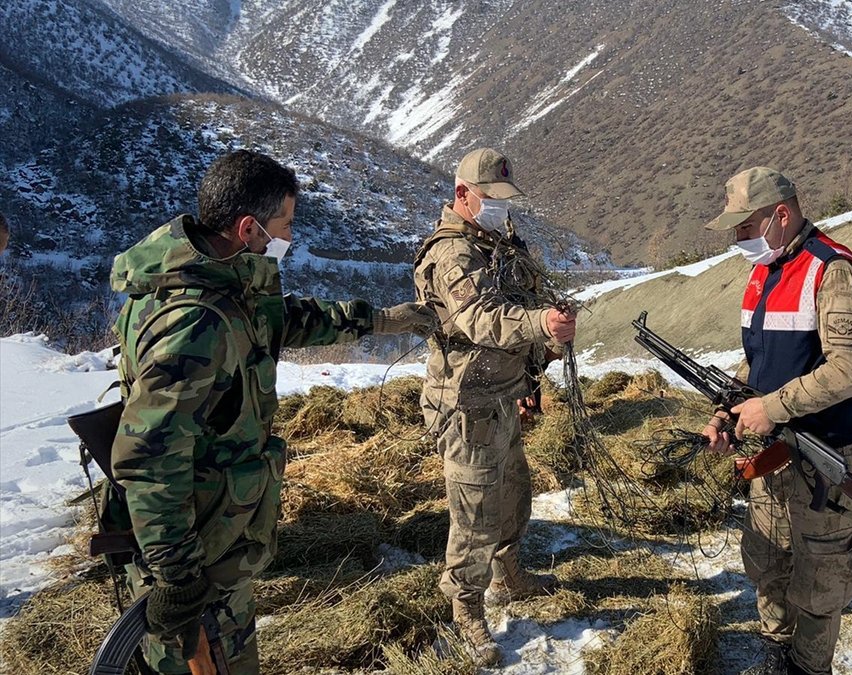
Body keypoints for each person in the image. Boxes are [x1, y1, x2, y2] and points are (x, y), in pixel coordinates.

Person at [105, 149, 437, 674]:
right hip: (192, 556)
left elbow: (283, 320)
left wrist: (383, 320)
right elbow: (149, 457)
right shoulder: (195, 322)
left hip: (214, 539)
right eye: (284, 224)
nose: (289, 237)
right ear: (247, 227)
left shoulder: (221, 283)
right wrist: (175, 577)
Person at [700, 167, 852, 675]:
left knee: (820, 583)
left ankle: (807, 668)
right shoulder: (765, 270)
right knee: (768, 562)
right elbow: (755, 363)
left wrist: (771, 407)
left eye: (744, 226)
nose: (738, 238)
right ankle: (775, 653)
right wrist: (727, 411)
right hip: (773, 453)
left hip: (829, 457)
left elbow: (850, 368)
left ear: (781, 214)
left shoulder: (833, 271)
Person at [413, 147, 576, 666]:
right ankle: (466, 610)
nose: (502, 209)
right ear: (463, 195)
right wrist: (539, 325)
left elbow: (522, 305)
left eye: (507, 200)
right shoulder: (454, 255)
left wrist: (539, 355)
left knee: (512, 493)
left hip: (503, 397)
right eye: (492, 199)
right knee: (475, 517)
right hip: (467, 408)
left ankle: (508, 575)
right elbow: (478, 319)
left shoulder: (494, 244)